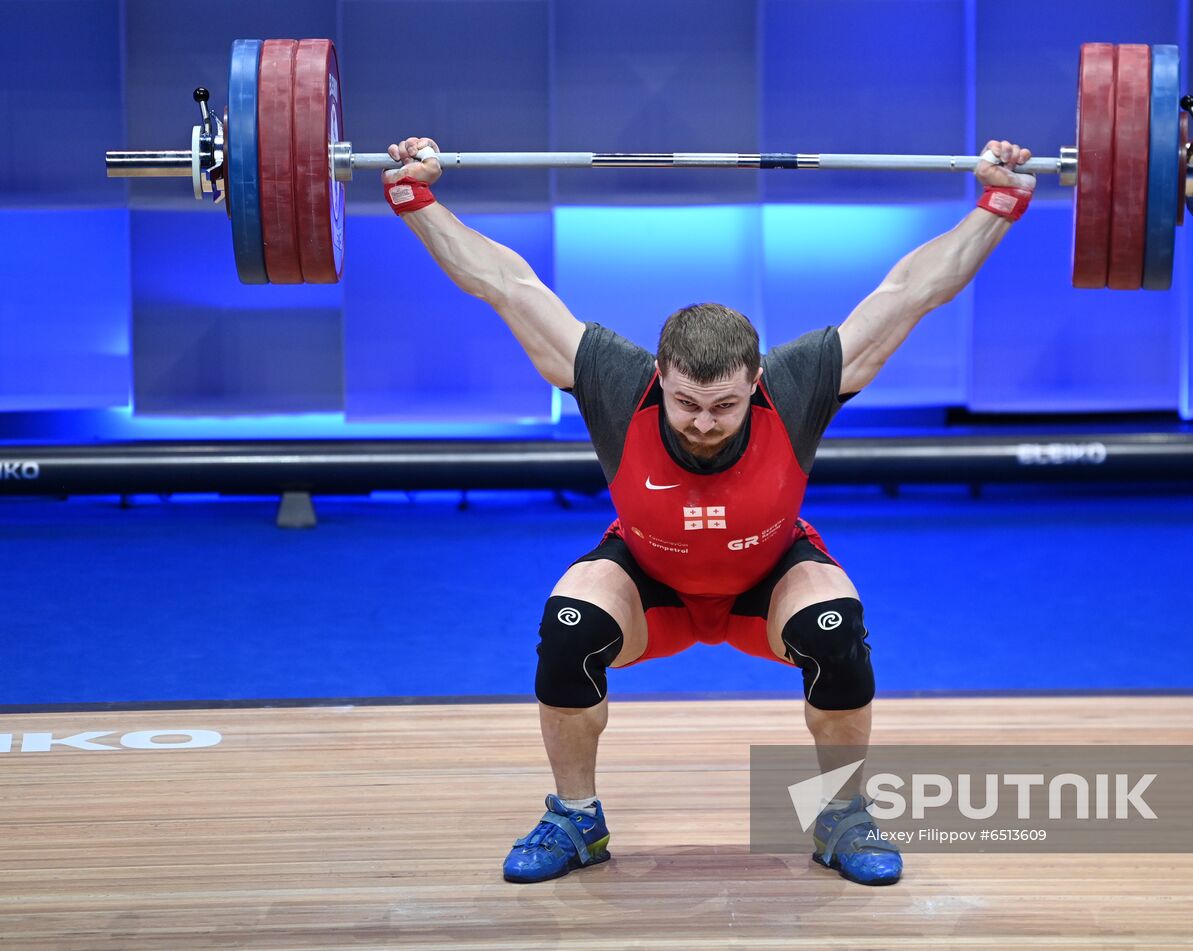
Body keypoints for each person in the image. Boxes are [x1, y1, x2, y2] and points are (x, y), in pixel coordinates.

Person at [382, 136, 1035, 886]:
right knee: (570, 624)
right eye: (687, 403)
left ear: (754, 380)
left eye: (724, 404)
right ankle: (575, 817)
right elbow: (506, 283)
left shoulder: (796, 384)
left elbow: (912, 290)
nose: (702, 421)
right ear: (660, 376)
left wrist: (999, 202)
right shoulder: (614, 380)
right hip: (649, 582)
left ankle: (844, 813)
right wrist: (415, 199)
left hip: (768, 578)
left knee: (836, 628)